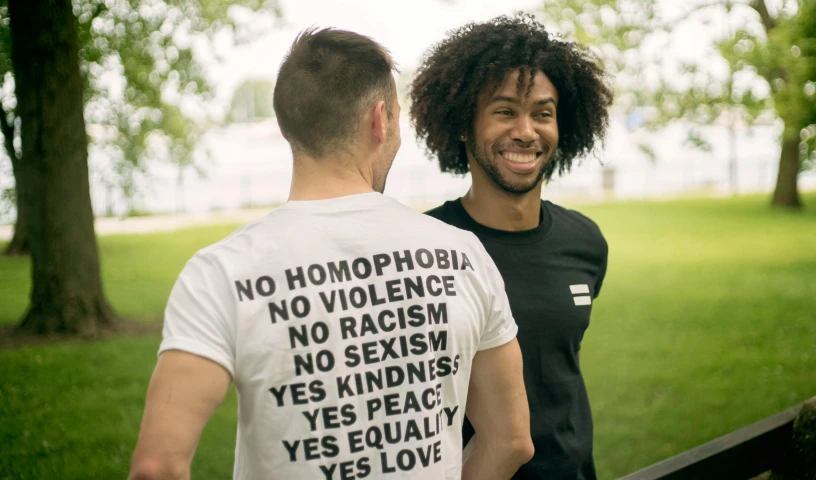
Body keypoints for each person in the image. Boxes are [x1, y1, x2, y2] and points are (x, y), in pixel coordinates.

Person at [129, 27, 534, 480]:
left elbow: (157, 466)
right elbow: (511, 439)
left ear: (287, 125)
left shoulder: (221, 273)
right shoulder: (463, 256)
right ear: (381, 120)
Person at [409, 13, 613, 480]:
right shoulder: (423, 251)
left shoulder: (585, 242)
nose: (526, 131)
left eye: (543, 113)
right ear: (463, 127)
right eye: (504, 111)